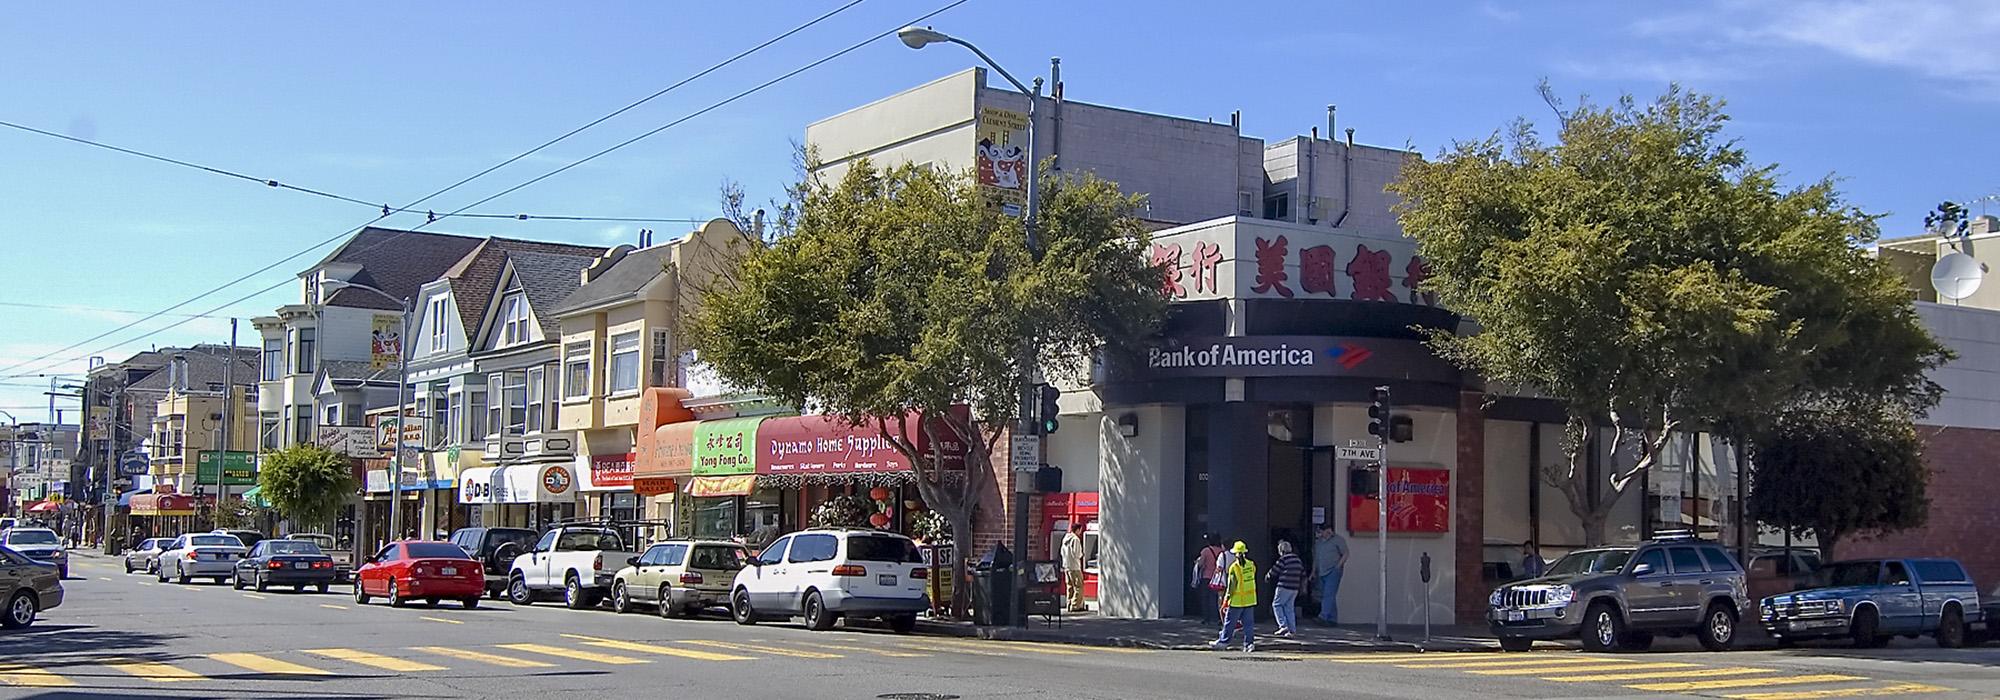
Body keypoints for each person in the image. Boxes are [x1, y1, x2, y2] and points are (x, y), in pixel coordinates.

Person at [1212, 541, 1258, 652]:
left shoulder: (1234, 567)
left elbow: (1232, 586)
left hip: (1236, 600)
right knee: (1248, 625)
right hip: (1250, 599)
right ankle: (1249, 644)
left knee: (1229, 622)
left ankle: (1224, 642)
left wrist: (1226, 599)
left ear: (1235, 553)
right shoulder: (1251, 565)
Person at [1268, 540, 1306, 636]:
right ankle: (1292, 630)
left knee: (1276, 605)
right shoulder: (1297, 559)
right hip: (1295, 588)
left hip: (1284, 585)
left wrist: (1268, 576)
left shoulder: (1283, 559)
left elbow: (1274, 571)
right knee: (1289, 608)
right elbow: (1303, 574)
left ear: (1281, 550)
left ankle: (1283, 626)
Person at [1313, 524, 1348, 625]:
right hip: (1322, 571)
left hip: (1333, 571)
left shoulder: (1338, 540)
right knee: (1327, 595)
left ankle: (1323, 616)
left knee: (1328, 594)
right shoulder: (1319, 543)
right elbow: (1316, 557)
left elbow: (1345, 553)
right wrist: (1313, 571)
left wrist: (1338, 566)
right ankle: (1332, 619)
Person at [1190, 533, 1225, 623]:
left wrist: (1197, 562)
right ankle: (1218, 617)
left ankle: (1207, 618)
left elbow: (1201, 564)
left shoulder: (1206, 551)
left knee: (1206, 598)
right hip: (1218, 578)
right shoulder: (1222, 551)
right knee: (1217, 599)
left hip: (1207, 577)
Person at [1061, 524, 1087, 613]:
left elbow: (1062, 552)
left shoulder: (1065, 538)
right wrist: (1082, 554)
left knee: (1069, 586)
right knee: (1079, 586)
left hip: (1066, 566)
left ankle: (1069, 604)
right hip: (1075, 566)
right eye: (1080, 530)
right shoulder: (1075, 539)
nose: (1080, 532)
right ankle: (1075, 605)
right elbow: (1077, 553)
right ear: (1077, 530)